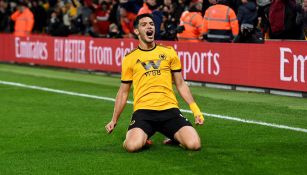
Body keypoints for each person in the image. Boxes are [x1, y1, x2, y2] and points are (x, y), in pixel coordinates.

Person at [105, 13, 204, 152]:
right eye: (144, 24)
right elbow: (123, 92)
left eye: (151, 24)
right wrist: (114, 120)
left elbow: (181, 84)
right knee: (131, 146)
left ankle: (174, 136)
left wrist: (196, 110)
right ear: (136, 31)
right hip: (144, 112)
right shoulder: (129, 58)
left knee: (194, 145)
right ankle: (144, 139)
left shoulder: (169, 52)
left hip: (169, 110)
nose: (149, 27)